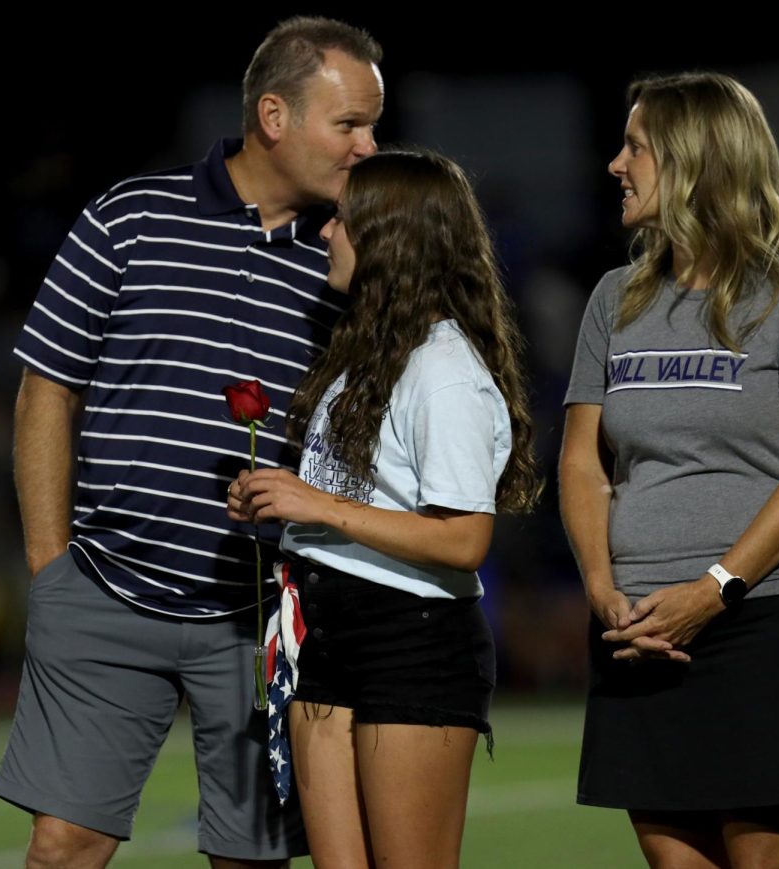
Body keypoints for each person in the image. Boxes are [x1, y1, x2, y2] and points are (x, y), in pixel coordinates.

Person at [0, 17, 384, 869]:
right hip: (103, 588)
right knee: (65, 845)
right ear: (274, 117)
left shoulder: (353, 257)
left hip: (261, 611)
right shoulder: (130, 216)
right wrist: (50, 566)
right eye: (349, 124)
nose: (369, 146)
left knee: (251, 860)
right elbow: (46, 386)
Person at [560, 72, 779, 869]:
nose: (615, 165)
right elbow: (582, 462)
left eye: (635, 147)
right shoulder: (613, 300)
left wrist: (713, 589)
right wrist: (602, 590)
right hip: (638, 631)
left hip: (768, 617)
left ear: (695, 158)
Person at [228, 150, 541, 869]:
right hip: (325, 631)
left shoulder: (444, 368)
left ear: (390, 237)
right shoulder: (361, 353)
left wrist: (320, 505)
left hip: (411, 640)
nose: (324, 232)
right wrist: (281, 497)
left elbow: (464, 539)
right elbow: (353, 500)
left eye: (342, 219)